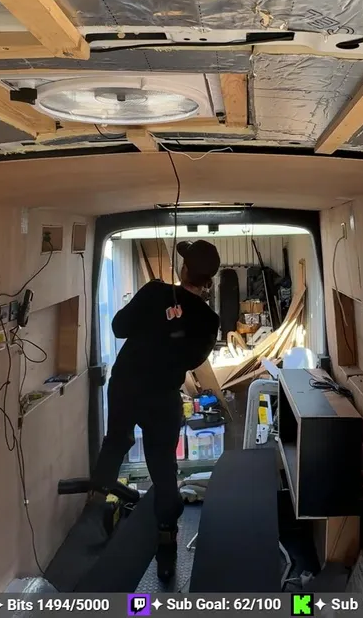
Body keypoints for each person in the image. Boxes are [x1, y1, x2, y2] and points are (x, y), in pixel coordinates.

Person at [88, 239, 221, 583]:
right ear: (208, 280)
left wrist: (156, 318)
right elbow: (192, 359)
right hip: (162, 397)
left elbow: (119, 328)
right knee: (163, 469)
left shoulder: (154, 292)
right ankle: (166, 547)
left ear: (184, 269)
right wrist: (174, 331)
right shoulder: (208, 319)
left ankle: (94, 513)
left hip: (126, 387)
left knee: (115, 442)